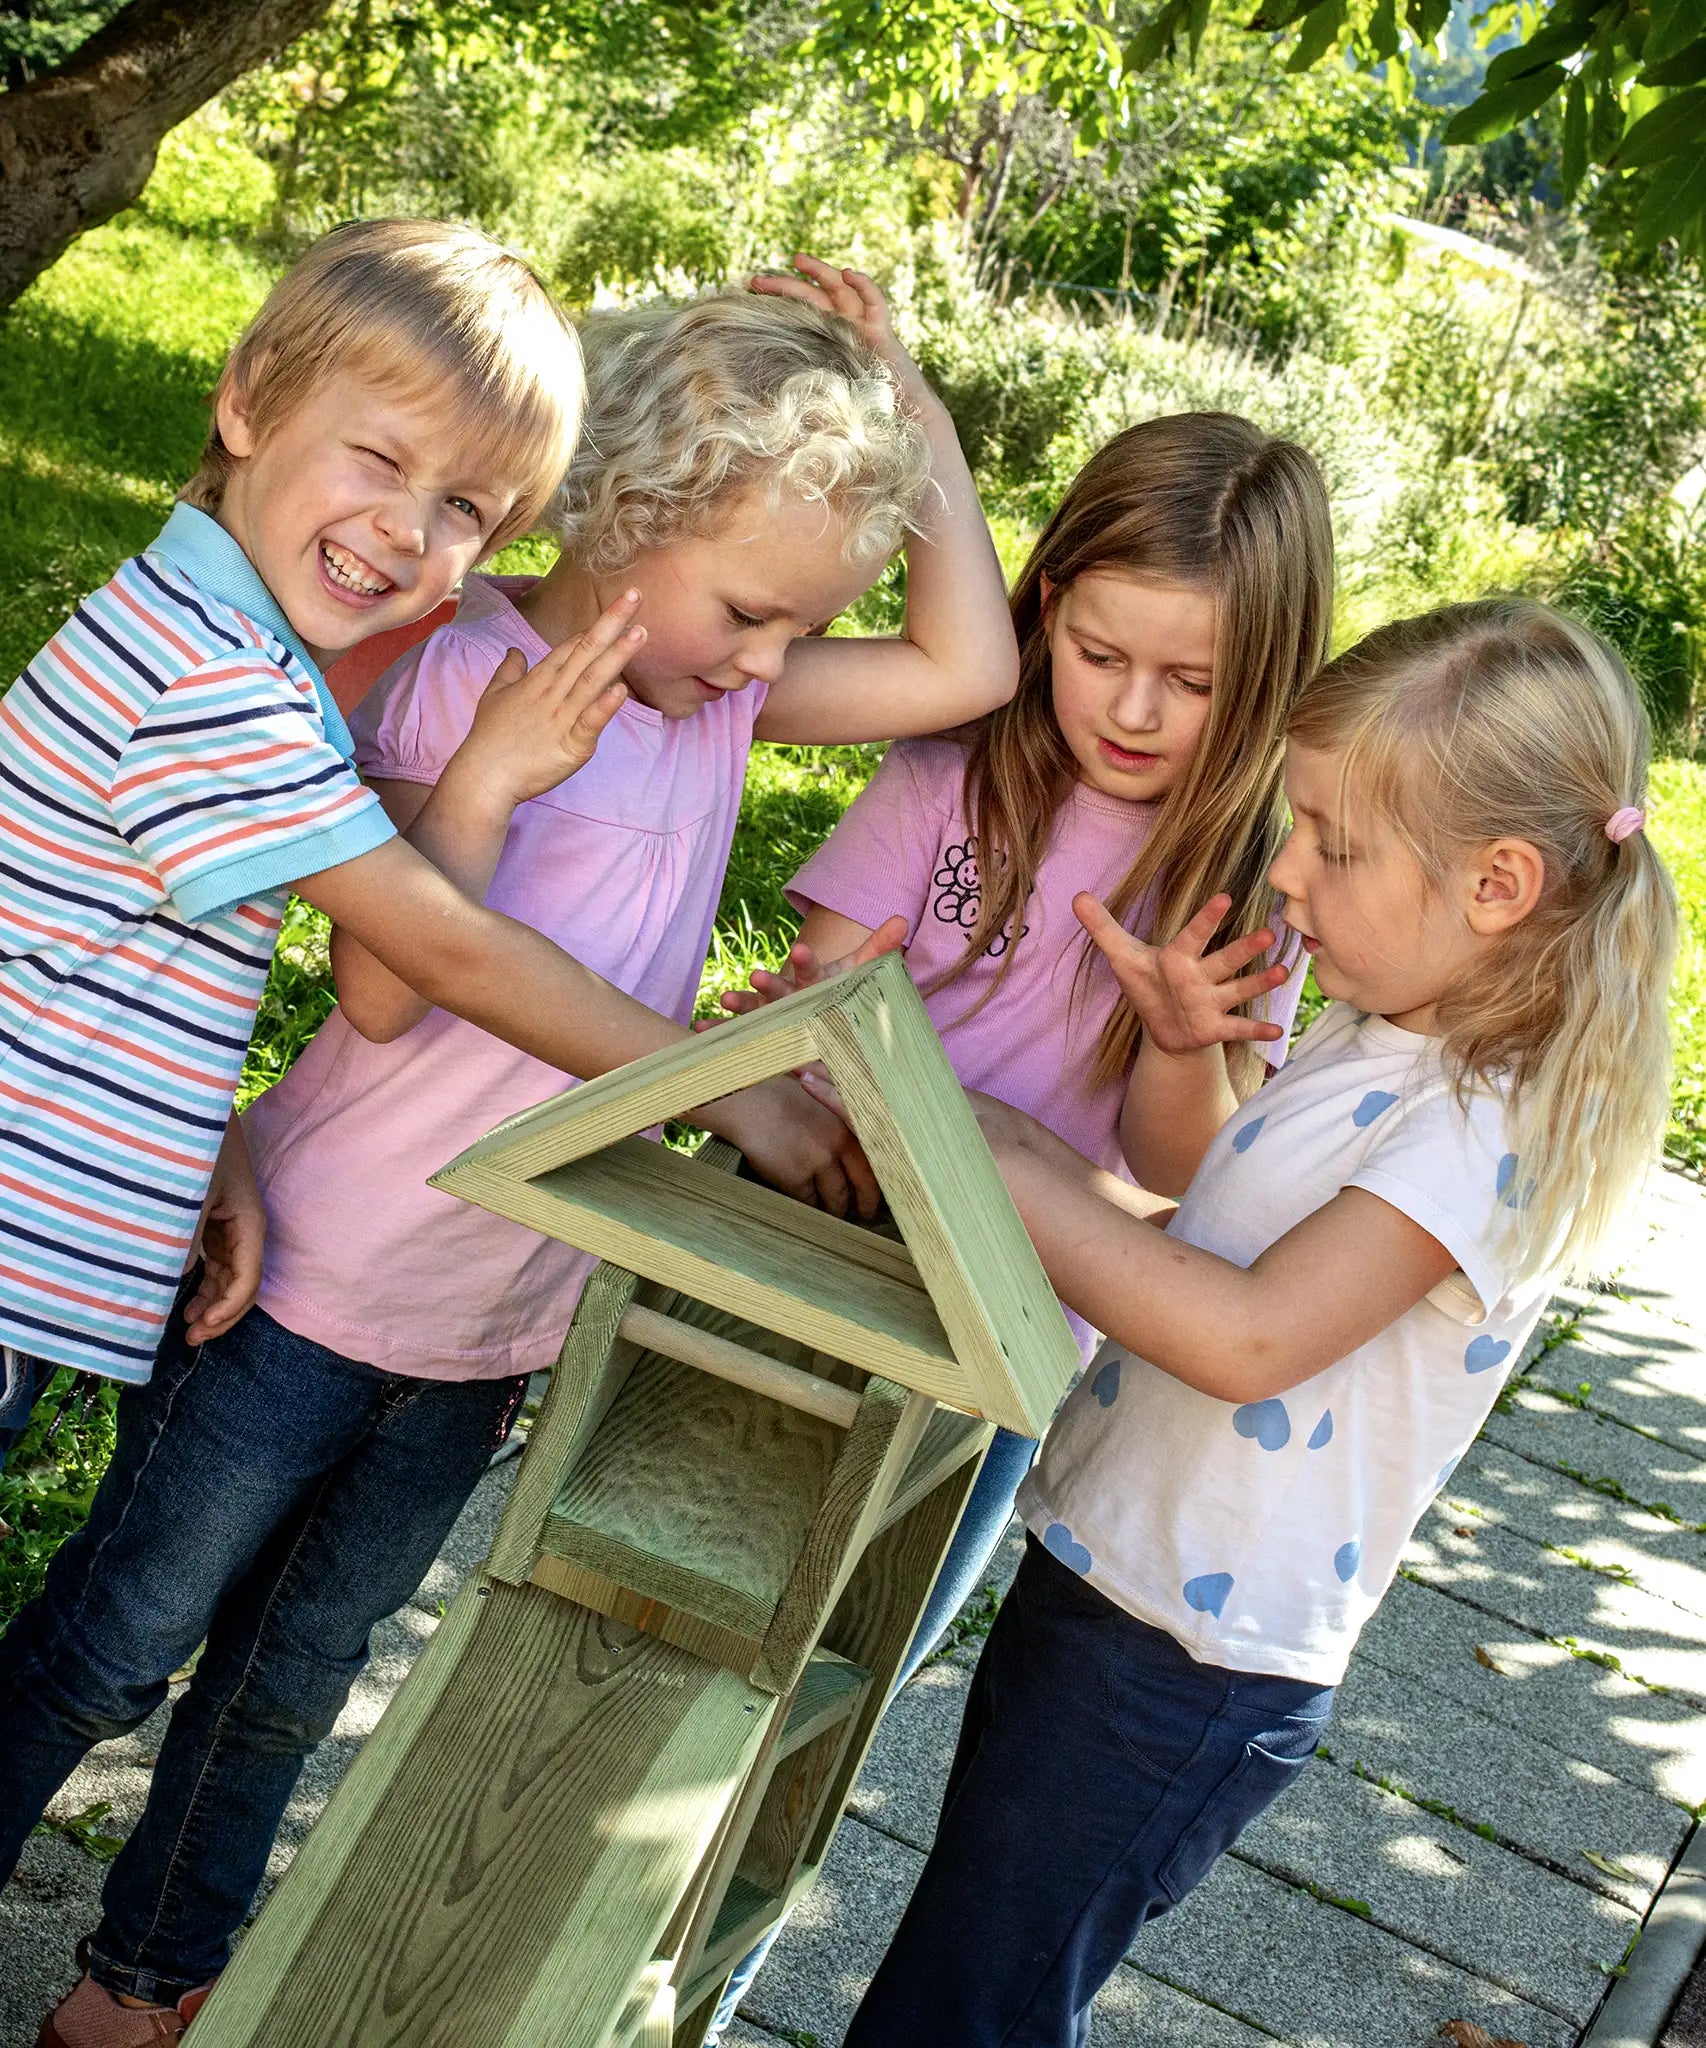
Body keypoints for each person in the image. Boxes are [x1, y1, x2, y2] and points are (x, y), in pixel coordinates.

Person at [6, 256, 1017, 2047]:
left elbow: (966, 665)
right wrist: (707, 1063)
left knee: (293, 1679)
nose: (773, 659)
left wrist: (910, 402)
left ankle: (139, 1988)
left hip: (490, 1313)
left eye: (795, 629)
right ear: (631, 519)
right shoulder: (433, 673)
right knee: (116, 1639)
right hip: (314, 1275)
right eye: (754, 609)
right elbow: (395, 992)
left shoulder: (714, 706)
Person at [840, 595, 1678, 2048]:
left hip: (1182, 1670)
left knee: (968, 2011)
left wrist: (1000, 1172)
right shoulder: (1392, 1028)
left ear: (1495, 884)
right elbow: (1199, 1201)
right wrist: (1154, 1069)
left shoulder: (1486, 1127)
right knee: (966, 1979)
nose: (1284, 872)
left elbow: (1242, 1336)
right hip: (1119, 1589)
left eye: (1330, 844)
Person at [705, 407, 1334, 2039]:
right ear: (1043, 605)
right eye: (1099, 650)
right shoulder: (956, 771)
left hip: (993, 1354)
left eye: (1190, 683)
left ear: (1263, 680)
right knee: (683, 1634)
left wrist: (1188, 1046)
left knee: (816, 1726)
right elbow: (826, 1002)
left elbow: (1176, 1170)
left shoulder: (1257, 883)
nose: (1132, 711)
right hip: (799, 1253)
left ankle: (691, 1999)